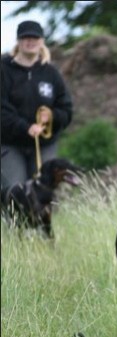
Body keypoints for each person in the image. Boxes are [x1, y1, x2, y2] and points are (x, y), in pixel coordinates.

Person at [1, 20, 73, 204]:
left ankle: (42, 231)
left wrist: (52, 116)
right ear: (18, 41)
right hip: (10, 143)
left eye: (34, 37)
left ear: (41, 41)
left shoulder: (51, 73)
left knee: (44, 193)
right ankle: (16, 231)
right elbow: (2, 108)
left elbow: (66, 109)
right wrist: (25, 127)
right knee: (16, 192)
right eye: (25, 37)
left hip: (44, 144)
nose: (30, 41)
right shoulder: (4, 69)